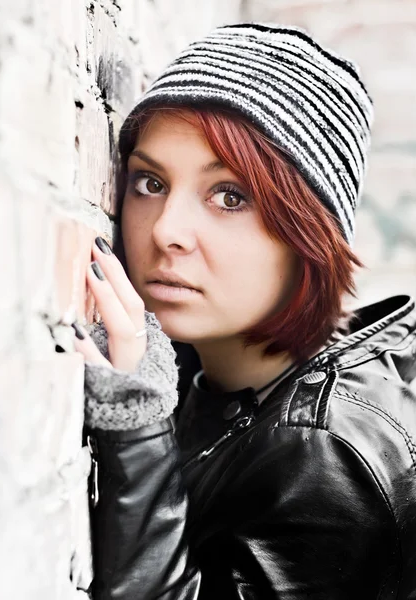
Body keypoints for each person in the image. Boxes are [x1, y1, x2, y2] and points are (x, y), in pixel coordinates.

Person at [72, 23, 416, 599]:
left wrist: (136, 425)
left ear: (309, 235)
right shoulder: (218, 373)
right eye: (150, 182)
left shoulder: (324, 452)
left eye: (230, 196)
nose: (166, 231)